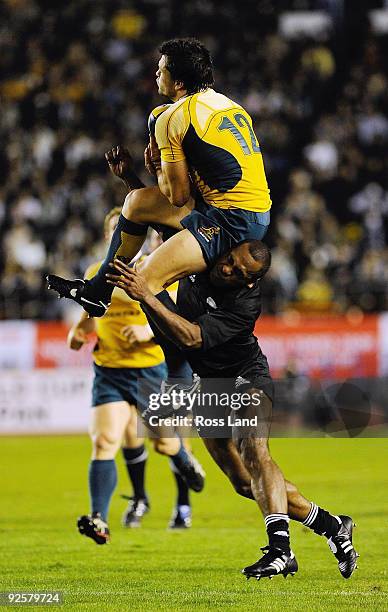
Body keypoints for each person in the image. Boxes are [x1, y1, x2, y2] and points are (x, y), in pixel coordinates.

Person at [105, 243, 359, 581]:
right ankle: (333, 525)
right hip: (208, 385)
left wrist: (147, 295)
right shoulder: (203, 257)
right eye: (229, 262)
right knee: (243, 482)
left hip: (246, 378)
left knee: (255, 451)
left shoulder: (245, 304)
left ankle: (281, 550)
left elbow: (192, 338)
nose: (228, 270)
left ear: (251, 282)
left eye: (240, 273)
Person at [46, 37, 272, 319]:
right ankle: (96, 293)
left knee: (143, 281)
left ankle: (184, 349)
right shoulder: (227, 104)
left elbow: (177, 197)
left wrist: (155, 168)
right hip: (246, 211)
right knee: (137, 202)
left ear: (178, 83)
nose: (156, 73)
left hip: (231, 221)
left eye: (161, 69)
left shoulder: (172, 117)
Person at [68, 208, 204, 545]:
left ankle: (183, 457)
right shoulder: (95, 272)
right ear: (108, 237)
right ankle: (98, 519)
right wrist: (78, 330)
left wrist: (145, 331)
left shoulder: (156, 270)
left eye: (129, 231)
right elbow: (91, 314)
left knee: (163, 442)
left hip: (148, 370)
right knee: (104, 442)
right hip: (110, 372)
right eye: (117, 231)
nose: (124, 237)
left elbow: (175, 318)